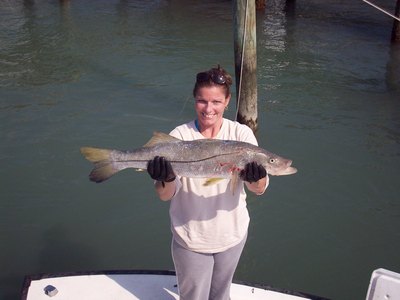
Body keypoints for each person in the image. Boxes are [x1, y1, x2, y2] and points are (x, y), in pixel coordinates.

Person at [147, 65, 269, 300]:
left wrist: (258, 177)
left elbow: (259, 189)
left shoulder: (242, 135)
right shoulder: (180, 136)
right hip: (191, 239)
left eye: (216, 101)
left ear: (227, 101)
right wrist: (166, 177)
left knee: (221, 296)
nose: (209, 109)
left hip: (232, 236)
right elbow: (165, 195)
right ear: (194, 100)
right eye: (202, 101)